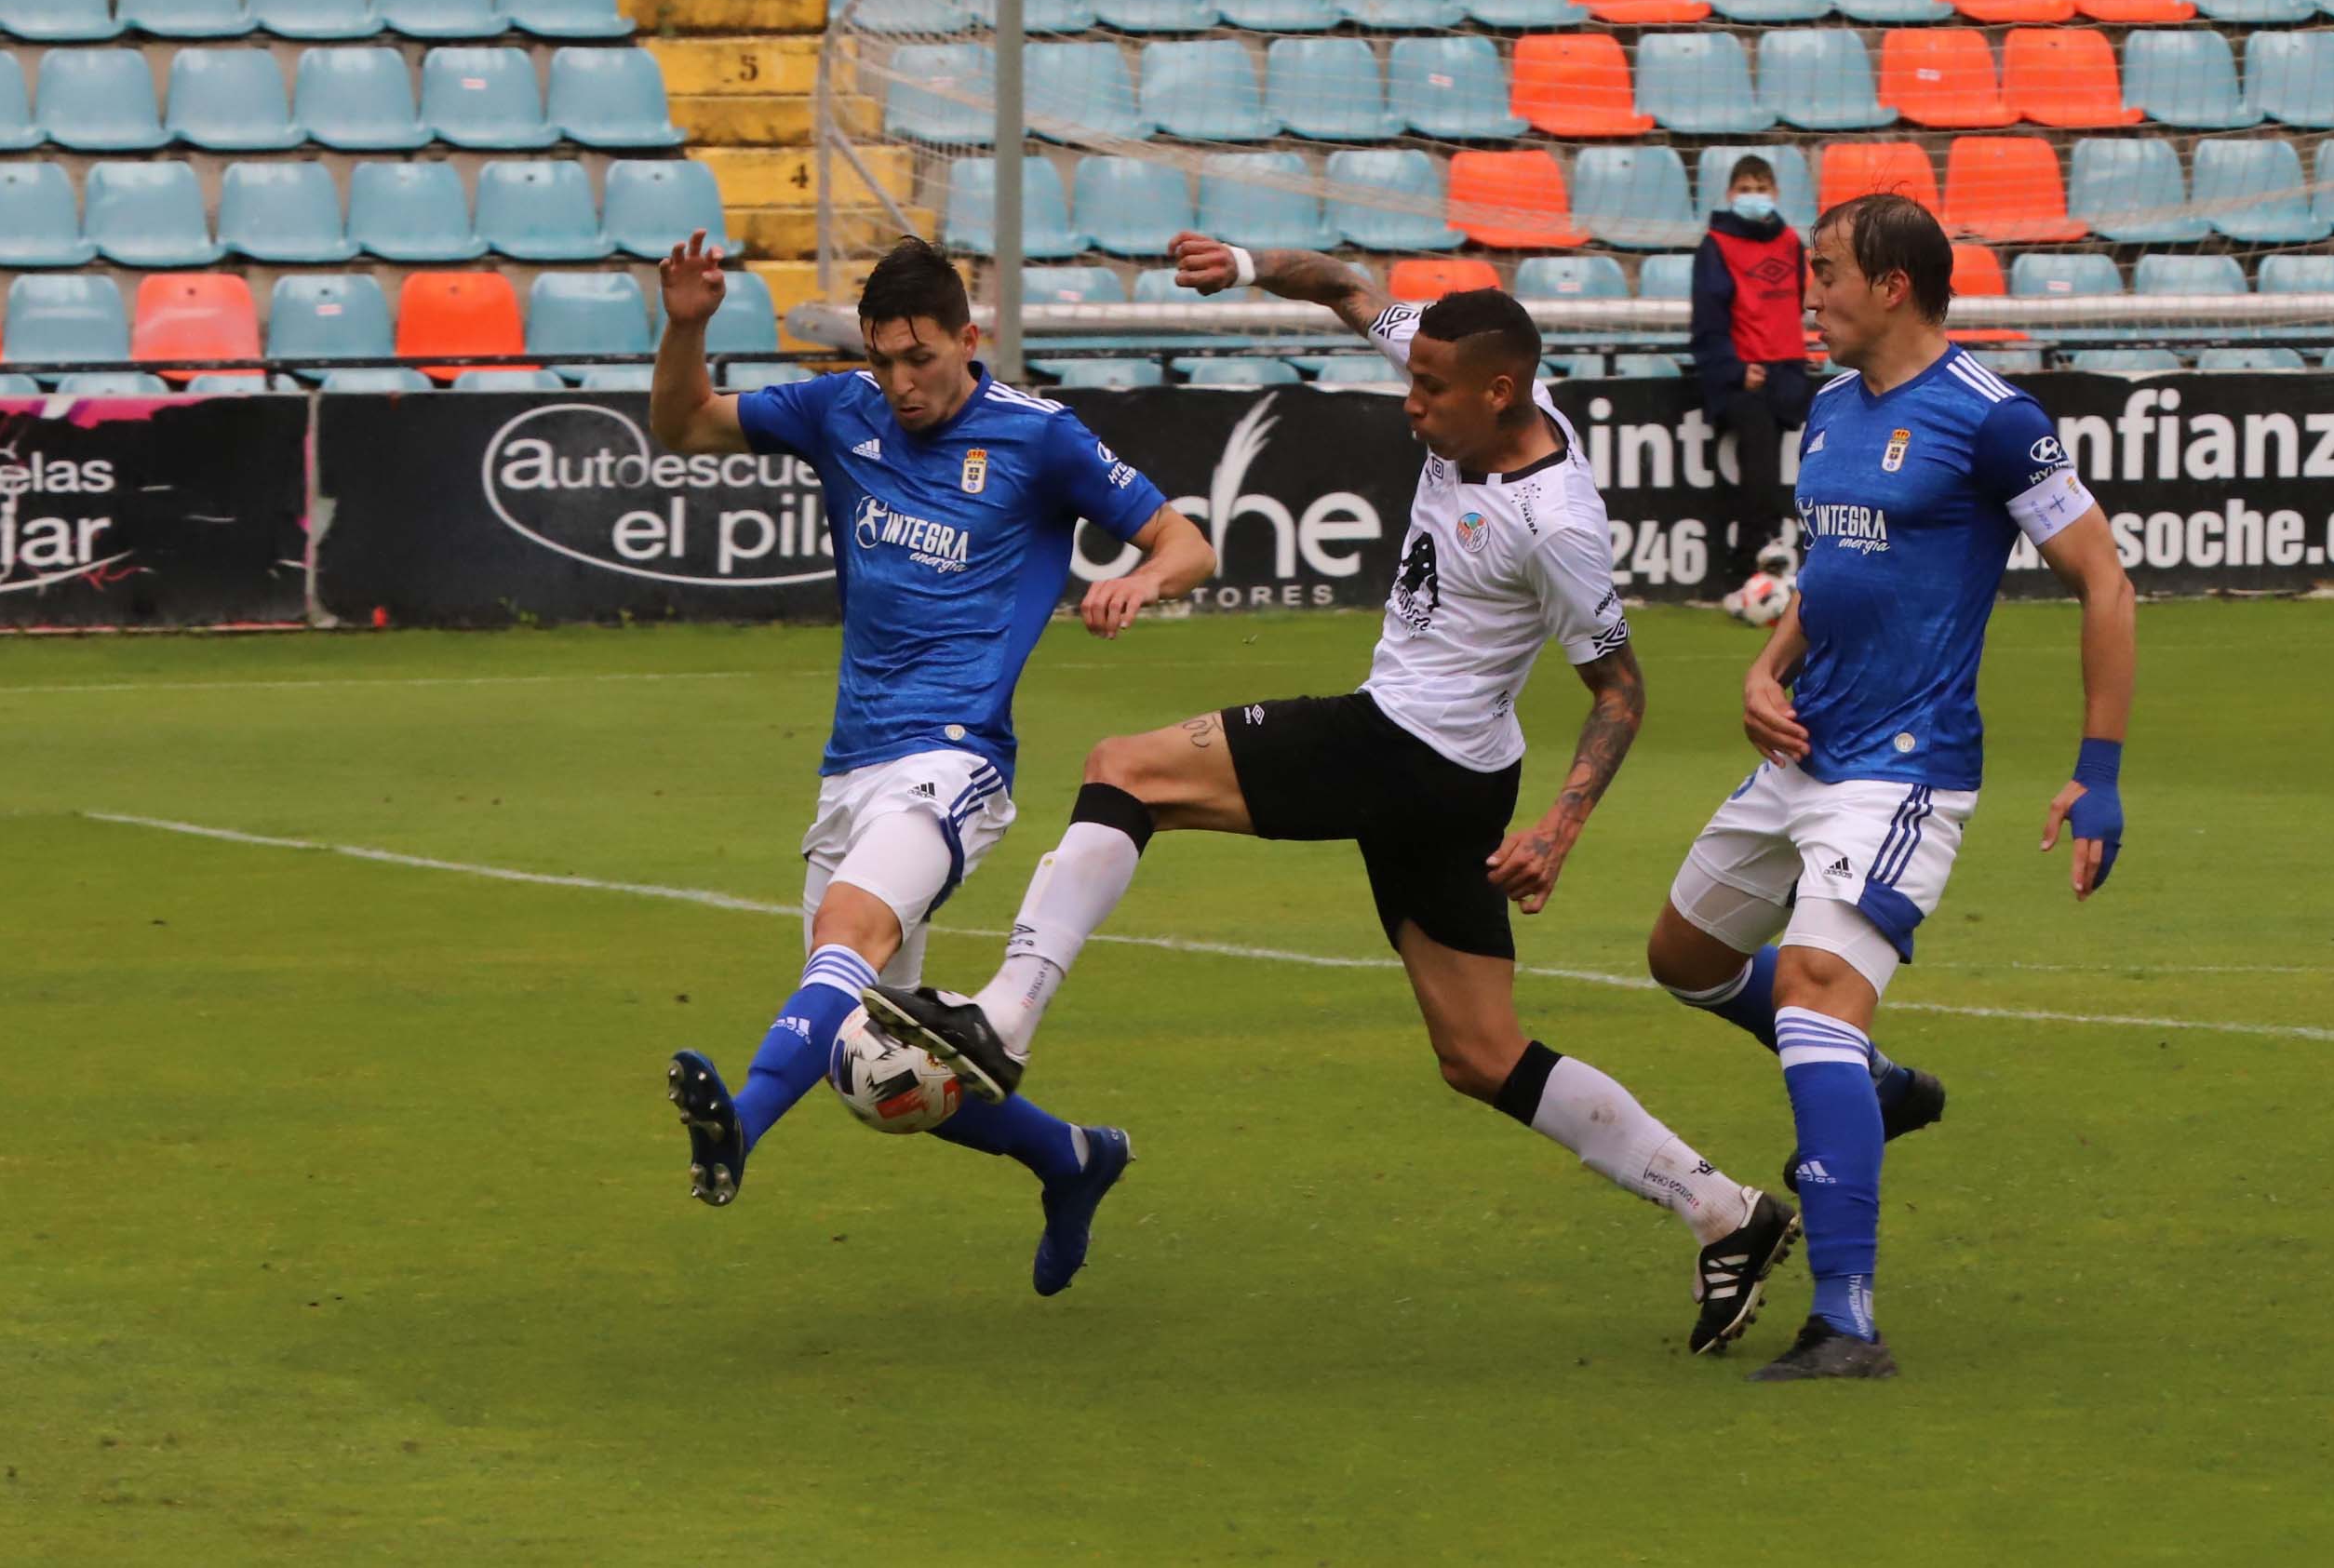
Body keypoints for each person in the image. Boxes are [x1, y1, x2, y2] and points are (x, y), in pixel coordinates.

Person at [870, 234, 1804, 1360]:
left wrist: (1558, 831)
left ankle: (1005, 1018)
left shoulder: (1555, 521)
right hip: (1457, 771)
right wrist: (1251, 259)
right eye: (1412, 379)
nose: (1411, 404)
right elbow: (1350, 289)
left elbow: (1619, 689)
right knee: (1481, 1052)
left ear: (1500, 391)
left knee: (1125, 767)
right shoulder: (1476, 372)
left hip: (1405, 748)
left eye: (1430, 391)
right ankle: (1720, 1207)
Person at [646, 231, 1214, 1295]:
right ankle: (1072, 1157)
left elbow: (1186, 539)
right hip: (850, 766)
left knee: (844, 935)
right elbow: (682, 422)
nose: (902, 383)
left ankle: (740, 1132)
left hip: (956, 762)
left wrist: (1146, 579)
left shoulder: (1040, 438)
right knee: (874, 1056)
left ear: (969, 336)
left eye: (922, 358)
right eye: (884, 360)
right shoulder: (838, 411)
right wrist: (686, 324)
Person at [1643, 194, 2137, 1383]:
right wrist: (1766, 666)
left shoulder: (1992, 419)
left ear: (1894, 284)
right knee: (1685, 958)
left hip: (1903, 768)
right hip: (1800, 748)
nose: (1807, 295)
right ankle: (1871, 1086)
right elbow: (1831, 569)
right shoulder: (1825, 408)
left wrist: (2099, 773)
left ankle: (1846, 1319)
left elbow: (2105, 578)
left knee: (1813, 993)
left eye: (1824, 274)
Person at [1688, 154, 1814, 602]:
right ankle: (1746, 570)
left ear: (1776, 193)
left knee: (1786, 477)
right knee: (1757, 477)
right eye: (1745, 186)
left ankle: (1774, 566)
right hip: (1748, 377)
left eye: (1760, 185)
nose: (1753, 194)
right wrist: (1736, 370)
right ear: (1729, 194)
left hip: (1788, 372)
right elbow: (1707, 320)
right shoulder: (1716, 245)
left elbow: (1794, 303)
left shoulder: (1790, 243)